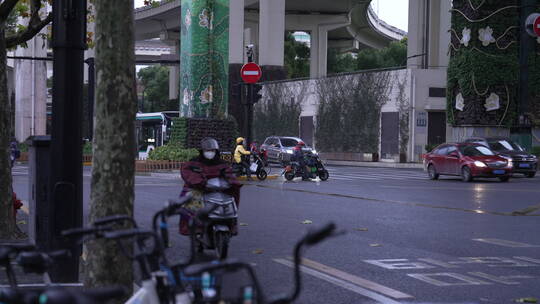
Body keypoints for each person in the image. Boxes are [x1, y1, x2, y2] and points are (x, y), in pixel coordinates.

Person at [178, 138, 242, 235]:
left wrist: (233, 182)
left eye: (212, 151)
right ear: (202, 151)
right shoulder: (194, 162)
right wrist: (199, 182)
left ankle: (232, 222)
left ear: (216, 151)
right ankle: (193, 226)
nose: (210, 153)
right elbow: (188, 173)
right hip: (201, 188)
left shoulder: (221, 164)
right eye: (207, 151)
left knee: (234, 191)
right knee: (191, 196)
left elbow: (229, 173)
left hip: (218, 189)